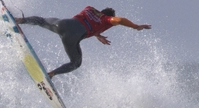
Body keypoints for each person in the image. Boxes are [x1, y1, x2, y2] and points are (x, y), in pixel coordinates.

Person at [15, 6, 151, 78]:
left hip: (63, 24)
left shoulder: (89, 8)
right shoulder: (107, 20)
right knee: (75, 63)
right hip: (72, 36)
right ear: (109, 16)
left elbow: (89, 23)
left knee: (42, 21)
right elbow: (119, 20)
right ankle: (52, 74)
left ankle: (19, 20)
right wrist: (136, 26)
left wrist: (97, 35)